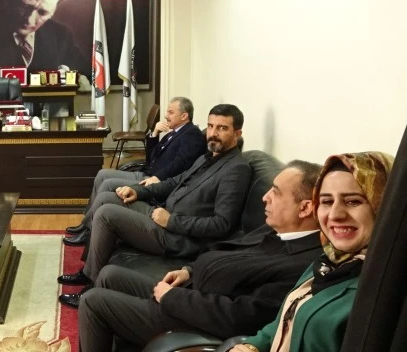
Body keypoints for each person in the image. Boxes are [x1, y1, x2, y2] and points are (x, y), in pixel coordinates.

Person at [77, 160, 325, 351]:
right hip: (189, 290)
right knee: (109, 274)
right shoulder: (276, 229)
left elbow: (241, 317)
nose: (265, 197)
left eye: (276, 192)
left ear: (305, 208)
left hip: (195, 320)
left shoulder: (302, 264)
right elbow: (226, 250)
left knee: (93, 301)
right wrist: (188, 271)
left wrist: (173, 298)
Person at [58, 104, 252, 307]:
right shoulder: (207, 158)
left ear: (237, 133)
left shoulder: (237, 169)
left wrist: (171, 221)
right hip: (163, 214)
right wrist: (138, 191)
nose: (213, 133)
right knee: (108, 197)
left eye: (222, 128)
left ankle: (90, 287)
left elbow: (222, 224)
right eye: (211, 126)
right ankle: (88, 270)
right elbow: (174, 182)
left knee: (107, 214)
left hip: (177, 236)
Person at [231, 151, 393, 352]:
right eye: (326, 201)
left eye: (353, 201)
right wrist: (252, 345)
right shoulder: (329, 262)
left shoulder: (385, 285)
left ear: (385, 206)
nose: (335, 215)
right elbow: (288, 318)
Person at [64, 97, 207, 246]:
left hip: (154, 182)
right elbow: (151, 157)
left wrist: (157, 177)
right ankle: (86, 223)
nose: (166, 116)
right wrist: (154, 133)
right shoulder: (175, 132)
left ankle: (89, 231)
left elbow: (180, 164)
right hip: (146, 173)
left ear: (184, 116)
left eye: (170, 112)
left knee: (107, 184)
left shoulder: (192, 135)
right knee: (102, 174)